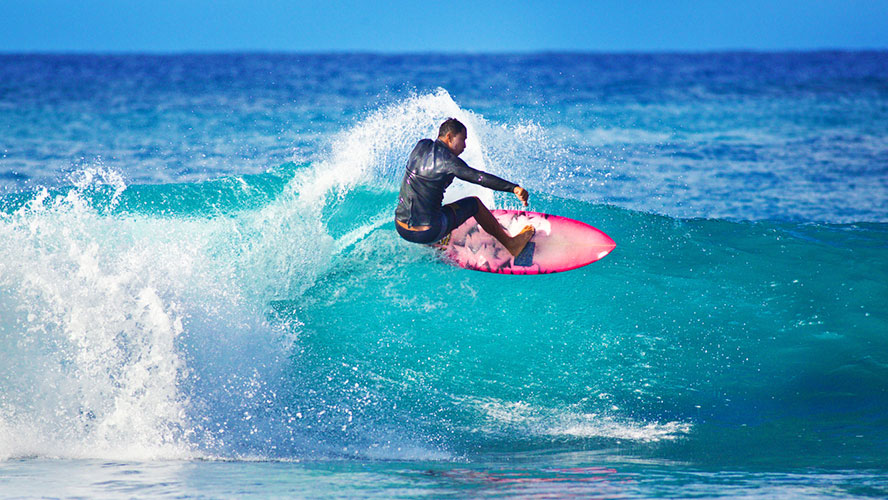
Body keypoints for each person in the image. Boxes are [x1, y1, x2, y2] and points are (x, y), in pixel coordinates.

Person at [395, 118, 535, 257]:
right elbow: (479, 177)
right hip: (428, 232)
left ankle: (435, 242)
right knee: (474, 204)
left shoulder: (421, 145)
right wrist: (513, 188)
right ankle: (512, 245)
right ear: (449, 137)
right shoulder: (449, 162)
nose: (465, 146)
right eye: (463, 139)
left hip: (401, 227)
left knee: (431, 198)